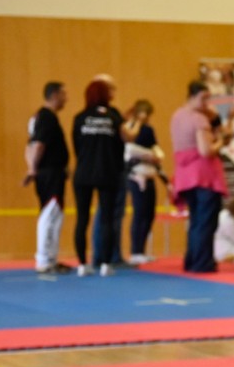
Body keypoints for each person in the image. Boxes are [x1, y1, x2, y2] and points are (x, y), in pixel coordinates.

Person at [170, 82, 228, 273]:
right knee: (206, 221)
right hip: (204, 176)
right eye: (203, 98)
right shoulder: (199, 119)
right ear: (192, 96)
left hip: (185, 175)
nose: (206, 103)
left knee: (196, 221)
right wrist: (221, 142)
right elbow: (206, 150)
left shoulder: (177, 116)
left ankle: (192, 260)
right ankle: (202, 262)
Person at [70, 78, 125, 276]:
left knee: (82, 219)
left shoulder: (80, 118)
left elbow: (76, 145)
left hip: (83, 172)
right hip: (107, 172)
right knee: (107, 219)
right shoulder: (113, 117)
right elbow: (120, 145)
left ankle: (82, 264)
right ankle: (106, 264)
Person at [24, 81, 71, 273]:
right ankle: (43, 259)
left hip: (52, 171)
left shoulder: (39, 117)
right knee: (50, 213)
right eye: (64, 94)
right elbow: (37, 145)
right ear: (54, 95)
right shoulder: (46, 117)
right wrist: (32, 168)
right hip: (50, 172)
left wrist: (31, 167)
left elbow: (30, 145)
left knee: (55, 214)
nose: (67, 99)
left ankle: (50, 258)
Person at [124, 99, 163, 264]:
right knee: (139, 212)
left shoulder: (148, 130)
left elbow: (156, 149)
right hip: (136, 175)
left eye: (148, 114)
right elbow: (128, 150)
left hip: (149, 173)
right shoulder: (128, 128)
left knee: (149, 213)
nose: (145, 117)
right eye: (143, 113)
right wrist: (148, 155)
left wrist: (157, 156)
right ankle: (135, 250)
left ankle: (142, 249)